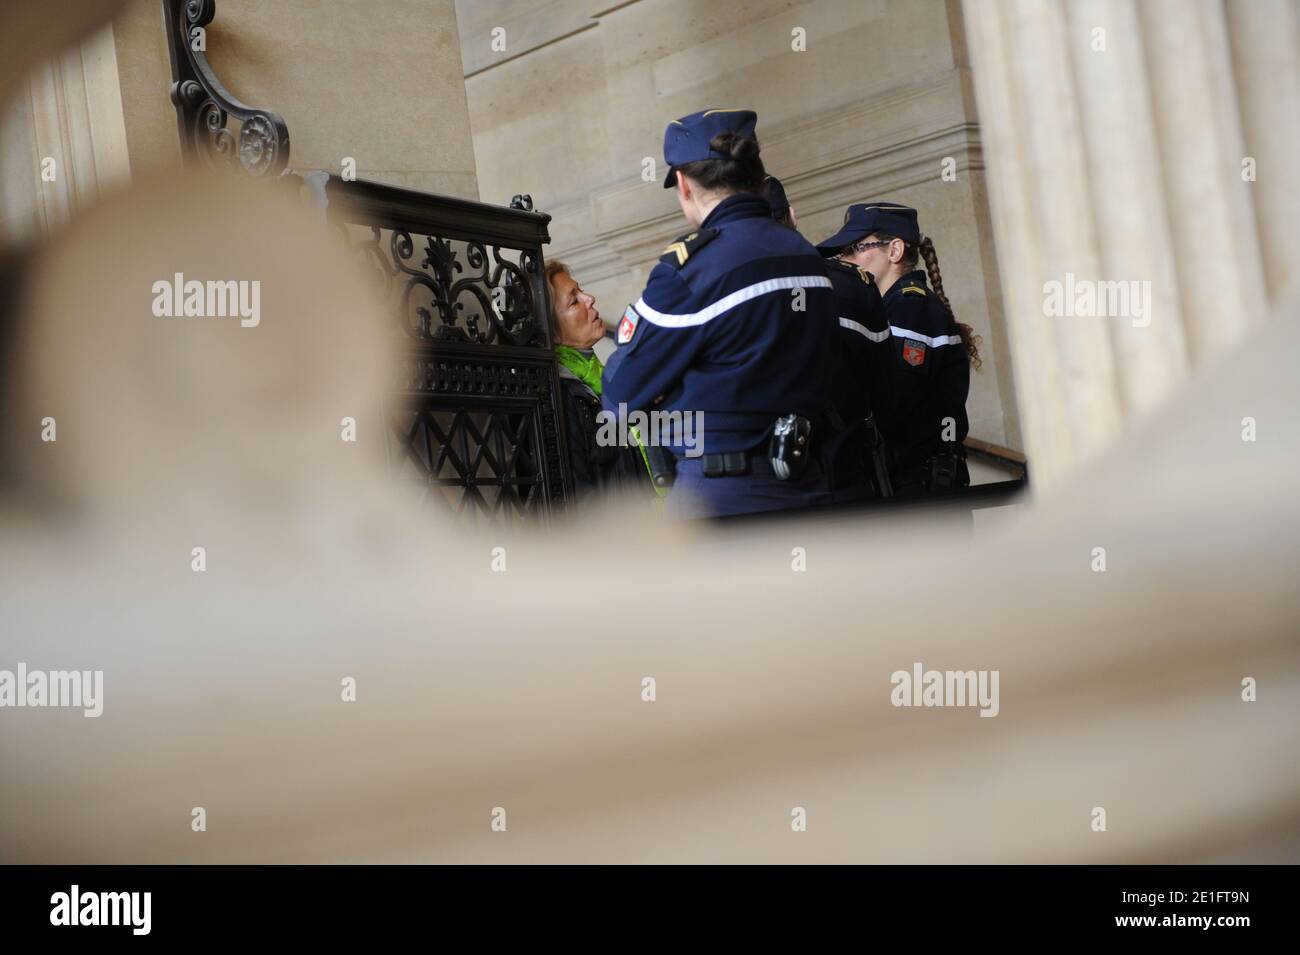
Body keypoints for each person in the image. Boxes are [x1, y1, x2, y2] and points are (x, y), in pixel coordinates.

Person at [601, 109, 840, 518]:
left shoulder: (690, 271)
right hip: (808, 489)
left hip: (723, 500)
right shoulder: (806, 256)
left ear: (684, 184)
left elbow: (621, 397)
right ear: (756, 176)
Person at [816, 202, 980, 495]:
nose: (844, 257)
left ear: (894, 250)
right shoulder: (890, 306)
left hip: (922, 484)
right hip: (907, 478)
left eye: (855, 247)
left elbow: (896, 398)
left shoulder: (908, 304)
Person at [763, 174, 893, 500]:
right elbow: (889, 394)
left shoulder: (723, 290)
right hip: (848, 481)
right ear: (792, 216)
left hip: (767, 493)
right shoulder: (853, 285)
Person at [545, 261, 655, 506]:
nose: (590, 298)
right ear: (551, 333)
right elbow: (580, 498)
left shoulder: (603, 378)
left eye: (581, 290)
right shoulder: (561, 396)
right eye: (574, 301)